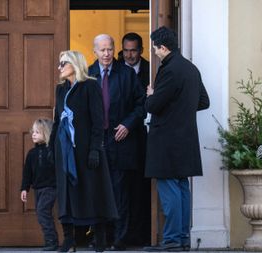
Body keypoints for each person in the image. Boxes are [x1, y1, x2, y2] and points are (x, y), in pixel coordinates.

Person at [143, 26, 210, 251]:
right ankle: (181, 238)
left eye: (155, 49)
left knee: (169, 189)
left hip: (166, 140)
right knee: (181, 188)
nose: (155, 53)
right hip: (186, 138)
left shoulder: (169, 69)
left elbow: (153, 104)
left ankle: (171, 239)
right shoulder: (191, 68)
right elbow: (203, 102)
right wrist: (181, 108)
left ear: (163, 47)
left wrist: (151, 95)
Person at [51, 50, 118, 252]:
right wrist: (51, 148)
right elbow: (57, 120)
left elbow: (98, 121)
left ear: (74, 64)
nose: (59, 67)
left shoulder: (90, 86)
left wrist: (95, 149)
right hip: (65, 150)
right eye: (59, 63)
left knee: (93, 192)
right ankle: (69, 239)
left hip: (87, 150)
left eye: (63, 63)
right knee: (67, 195)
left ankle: (99, 240)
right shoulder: (60, 89)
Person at [88, 34, 145, 251]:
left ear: (115, 50)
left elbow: (141, 104)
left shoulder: (127, 74)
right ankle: (100, 238)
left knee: (119, 192)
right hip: (96, 142)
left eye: (109, 49)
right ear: (95, 51)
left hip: (120, 140)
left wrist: (128, 124)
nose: (106, 54)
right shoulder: (87, 75)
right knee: (97, 191)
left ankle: (120, 238)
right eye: (102, 50)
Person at [119, 32, 152, 246]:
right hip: (119, 136)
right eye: (126, 51)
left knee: (142, 188)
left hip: (143, 138)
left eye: (133, 51)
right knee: (121, 190)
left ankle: (143, 234)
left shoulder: (152, 70)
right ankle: (120, 233)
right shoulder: (115, 69)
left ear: (141, 50)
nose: (129, 55)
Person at [20, 118, 58, 251]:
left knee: (42, 211)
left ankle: (52, 241)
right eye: (33, 132)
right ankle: (50, 240)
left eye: (37, 132)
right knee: (42, 213)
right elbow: (27, 173)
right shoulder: (31, 154)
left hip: (51, 188)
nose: (33, 134)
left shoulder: (52, 151)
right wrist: (24, 188)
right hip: (38, 189)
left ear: (46, 133)